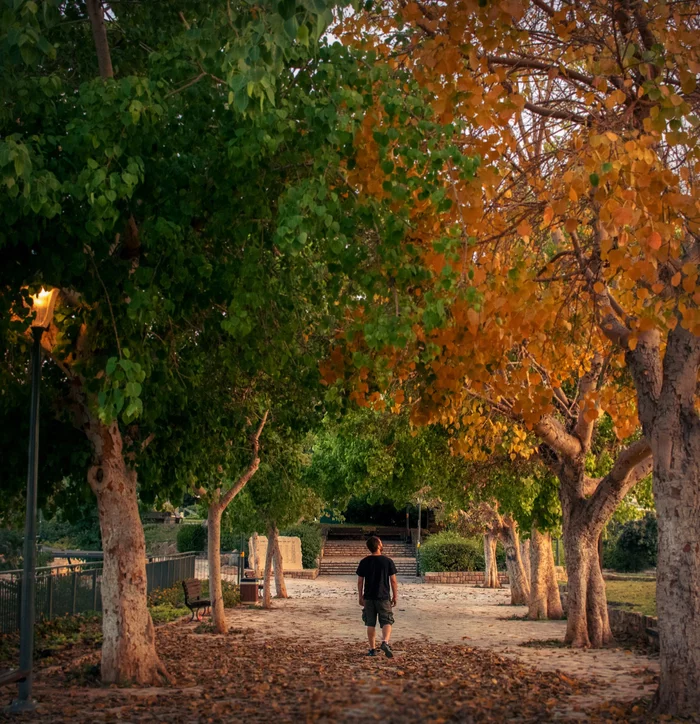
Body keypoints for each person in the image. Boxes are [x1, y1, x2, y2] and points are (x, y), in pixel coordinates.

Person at [356, 536, 398, 658]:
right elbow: (393, 581)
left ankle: (372, 649)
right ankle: (385, 642)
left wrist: (360, 596)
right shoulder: (387, 561)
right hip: (383, 597)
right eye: (381, 542)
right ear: (378, 545)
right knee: (387, 621)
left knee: (370, 623)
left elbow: (360, 581)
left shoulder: (364, 561)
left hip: (369, 597)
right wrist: (395, 596)